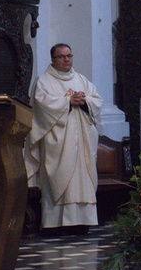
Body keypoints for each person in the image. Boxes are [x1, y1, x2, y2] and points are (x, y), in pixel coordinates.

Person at [25, 43, 103, 234]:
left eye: (69, 56)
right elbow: (41, 105)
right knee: (59, 177)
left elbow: (97, 100)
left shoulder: (81, 80)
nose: (67, 59)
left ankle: (83, 222)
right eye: (62, 57)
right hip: (58, 142)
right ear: (53, 59)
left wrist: (85, 102)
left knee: (82, 180)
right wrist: (67, 101)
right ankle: (56, 224)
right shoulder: (43, 81)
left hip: (83, 141)